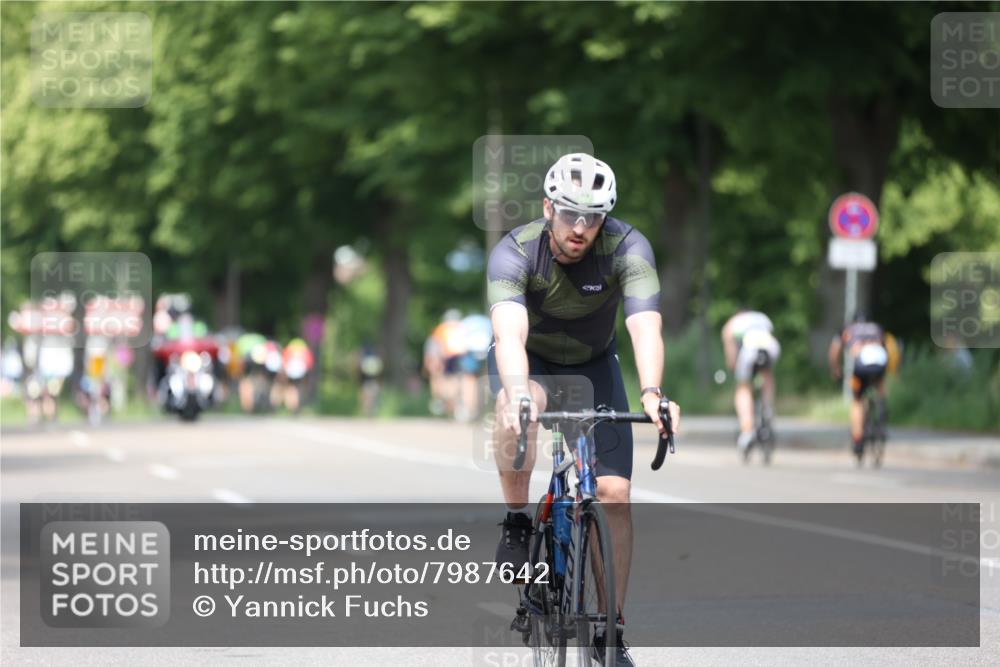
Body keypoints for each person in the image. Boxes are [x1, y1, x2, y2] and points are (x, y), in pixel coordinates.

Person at [487, 152, 680, 666]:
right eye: (571, 214)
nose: (581, 227)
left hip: (595, 365)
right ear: (548, 207)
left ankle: (611, 633)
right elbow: (508, 333)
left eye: (593, 217)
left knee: (614, 492)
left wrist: (653, 394)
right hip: (531, 362)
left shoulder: (628, 246)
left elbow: (645, 325)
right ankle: (516, 520)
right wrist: (518, 391)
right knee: (516, 406)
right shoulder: (515, 252)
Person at [828, 312, 889, 457]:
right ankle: (882, 407)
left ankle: (857, 440)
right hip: (880, 358)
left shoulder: (848, 328)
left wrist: (836, 370)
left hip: (862, 362)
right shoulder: (877, 328)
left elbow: (834, 351)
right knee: (879, 381)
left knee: (857, 400)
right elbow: (887, 348)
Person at [721, 309, 781, 453]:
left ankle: (747, 431)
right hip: (771, 347)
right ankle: (767, 407)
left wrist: (733, 365)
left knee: (743, 388)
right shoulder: (762, 317)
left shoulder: (733, 322)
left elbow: (729, 343)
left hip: (749, 350)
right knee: (767, 375)